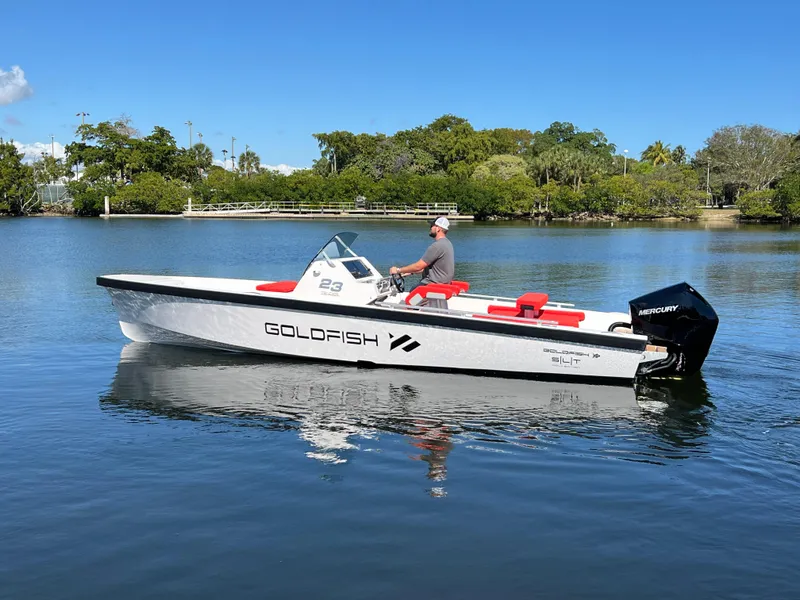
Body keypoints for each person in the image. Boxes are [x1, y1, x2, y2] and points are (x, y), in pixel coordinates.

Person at [390, 216, 454, 286]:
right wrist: (409, 272)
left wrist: (398, 270)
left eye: (432, 226)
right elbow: (428, 268)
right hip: (442, 284)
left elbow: (418, 266)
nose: (430, 228)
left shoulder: (437, 246)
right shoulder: (448, 243)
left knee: (409, 293)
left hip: (432, 285)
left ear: (438, 228)